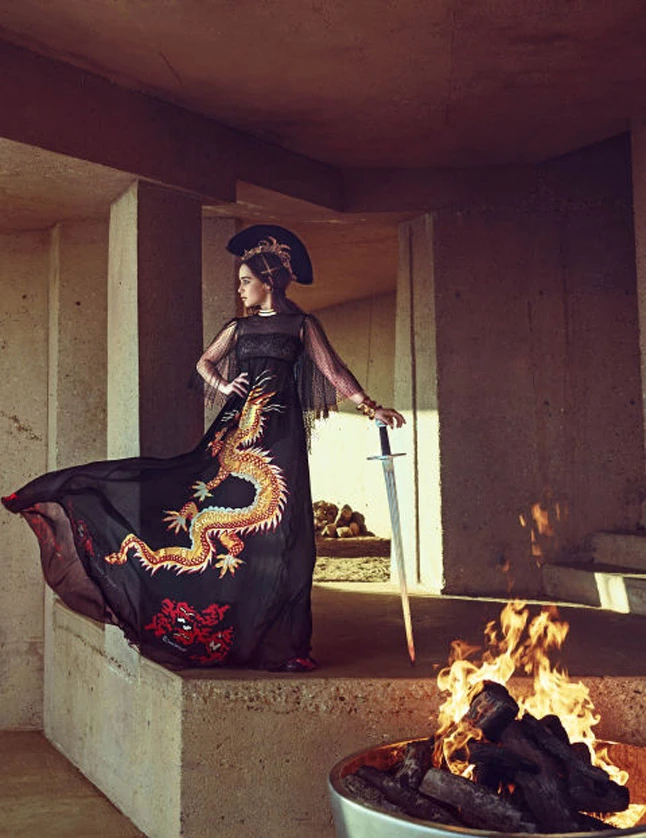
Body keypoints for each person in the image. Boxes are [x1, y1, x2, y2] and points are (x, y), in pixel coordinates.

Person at [2, 225, 404, 672]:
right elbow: (204, 362)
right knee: (212, 512)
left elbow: (333, 370)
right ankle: (227, 634)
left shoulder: (302, 325)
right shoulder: (239, 328)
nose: (241, 289)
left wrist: (371, 408)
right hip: (235, 435)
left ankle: (288, 647)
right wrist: (225, 385)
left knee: (289, 539)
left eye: (246, 281)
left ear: (269, 281)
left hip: (281, 440)